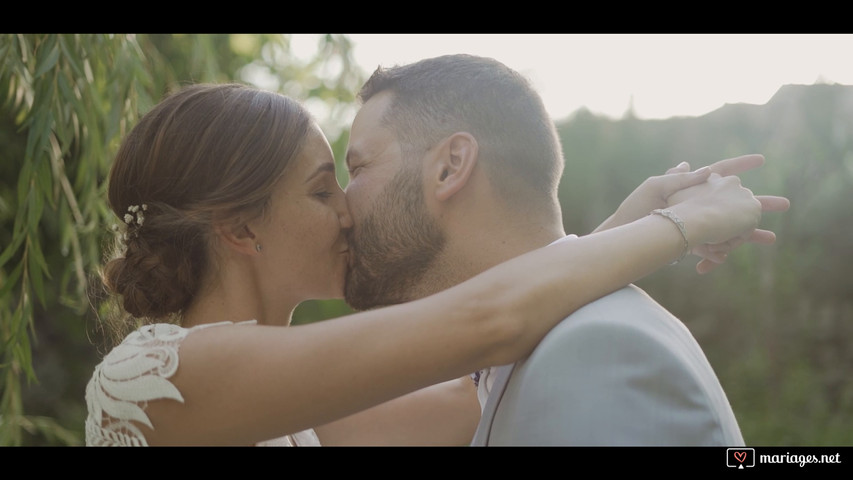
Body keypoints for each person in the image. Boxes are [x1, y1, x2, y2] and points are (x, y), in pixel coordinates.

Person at [84, 80, 764, 447]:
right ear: (238, 226)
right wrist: (675, 227)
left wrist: (620, 227)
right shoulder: (156, 379)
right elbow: (486, 323)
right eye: (323, 189)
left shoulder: (294, 402)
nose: (348, 211)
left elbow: (481, 386)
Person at [313, 54, 790, 446]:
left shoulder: (597, 355)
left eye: (357, 170)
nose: (342, 208)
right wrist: (663, 228)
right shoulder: (524, 360)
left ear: (450, 167)